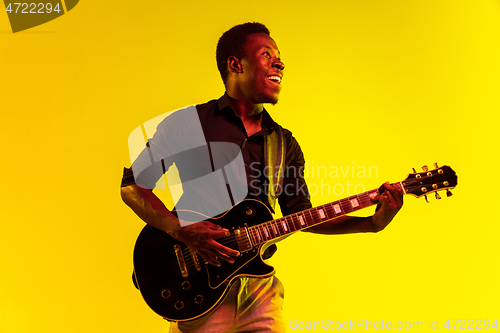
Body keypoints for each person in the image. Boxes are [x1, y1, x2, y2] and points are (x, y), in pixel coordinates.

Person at [121, 22, 403, 333]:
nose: (280, 62)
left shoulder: (284, 143)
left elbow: (301, 215)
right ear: (235, 64)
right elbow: (132, 187)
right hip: (198, 293)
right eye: (267, 54)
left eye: (279, 56)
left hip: (260, 293)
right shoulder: (189, 123)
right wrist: (179, 230)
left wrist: (371, 223)